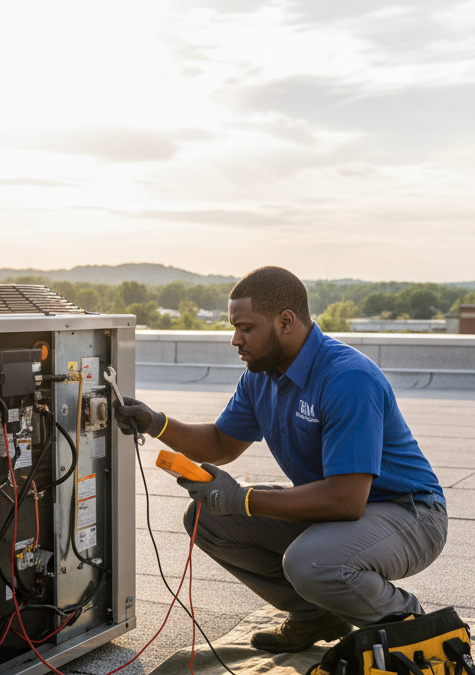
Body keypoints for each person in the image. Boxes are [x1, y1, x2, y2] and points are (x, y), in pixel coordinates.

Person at [114, 265, 447, 654]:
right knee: (207, 519)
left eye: (246, 328)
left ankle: (413, 628)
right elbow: (222, 442)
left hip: (408, 513)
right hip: (337, 509)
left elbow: (346, 499)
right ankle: (315, 616)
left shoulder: (347, 378)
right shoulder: (261, 375)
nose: (235, 339)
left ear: (286, 322)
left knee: (311, 563)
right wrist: (157, 423)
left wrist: (241, 498)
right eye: (234, 327)